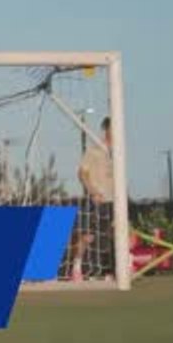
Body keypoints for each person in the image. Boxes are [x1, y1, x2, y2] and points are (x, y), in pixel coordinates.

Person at [72, 117, 116, 281]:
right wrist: (93, 192)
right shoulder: (94, 150)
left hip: (115, 200)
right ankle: (76, 267)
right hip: (98, 199)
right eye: (113, 127)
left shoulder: (118, 151)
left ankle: (113, 270)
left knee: (118, 232)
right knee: (88, 236)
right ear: (106, 129)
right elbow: (82, 173)